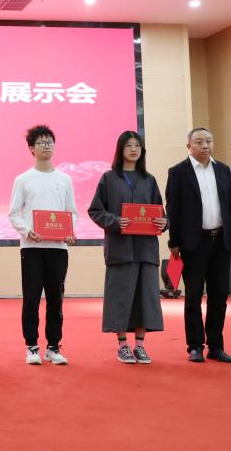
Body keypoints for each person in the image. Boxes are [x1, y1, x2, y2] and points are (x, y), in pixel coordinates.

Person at [88, 131, 166, 364]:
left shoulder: (149, 180)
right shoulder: (109, 178)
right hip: (120, 250)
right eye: (129, 145)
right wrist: (115, 221)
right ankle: (122, 345)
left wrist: (164, 222)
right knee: (120, 298)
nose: (133, 149)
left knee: (145, 298)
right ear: (120, 149)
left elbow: (160, 213)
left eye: (137, 145)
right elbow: (95, 210)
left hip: (146, 250)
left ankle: (140, 346)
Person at [165, 127, 231, 363]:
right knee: (194, 296)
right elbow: (173, 209)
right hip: (193, 243)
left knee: (219, 296)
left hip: (221, 242)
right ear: (189, 146)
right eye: (199, 142)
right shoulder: (178, 172)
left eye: (208, 141)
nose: (205, 145)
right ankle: (195, 346)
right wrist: (174, 242)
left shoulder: (224, 170)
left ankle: (216, 346)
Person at [8, 124, 76, 366]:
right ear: (31, 148)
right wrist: (28, 231)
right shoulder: (23, 179)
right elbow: (13, 213)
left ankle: (53, 347)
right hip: (32, 248)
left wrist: (69, 231)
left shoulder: (65, 179)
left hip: (58, 249)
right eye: (41, 142)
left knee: (56, 299)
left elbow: (72, 212)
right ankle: (31, 346)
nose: (46, 146)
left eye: (50, 142)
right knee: (32, 298)